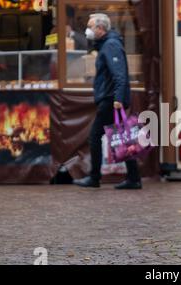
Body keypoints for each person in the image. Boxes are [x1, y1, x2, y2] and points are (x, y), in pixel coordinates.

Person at [73, 13, 142, 190]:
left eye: (91, 26)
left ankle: (95, 177)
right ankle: (134, 178)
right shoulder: (107, 44)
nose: (88, 30)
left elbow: (119, 75)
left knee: (95, 136)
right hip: (111, 98)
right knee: (123, 137)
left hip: (111, 99)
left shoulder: (110, 45)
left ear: (101, 29)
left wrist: (118, 99)